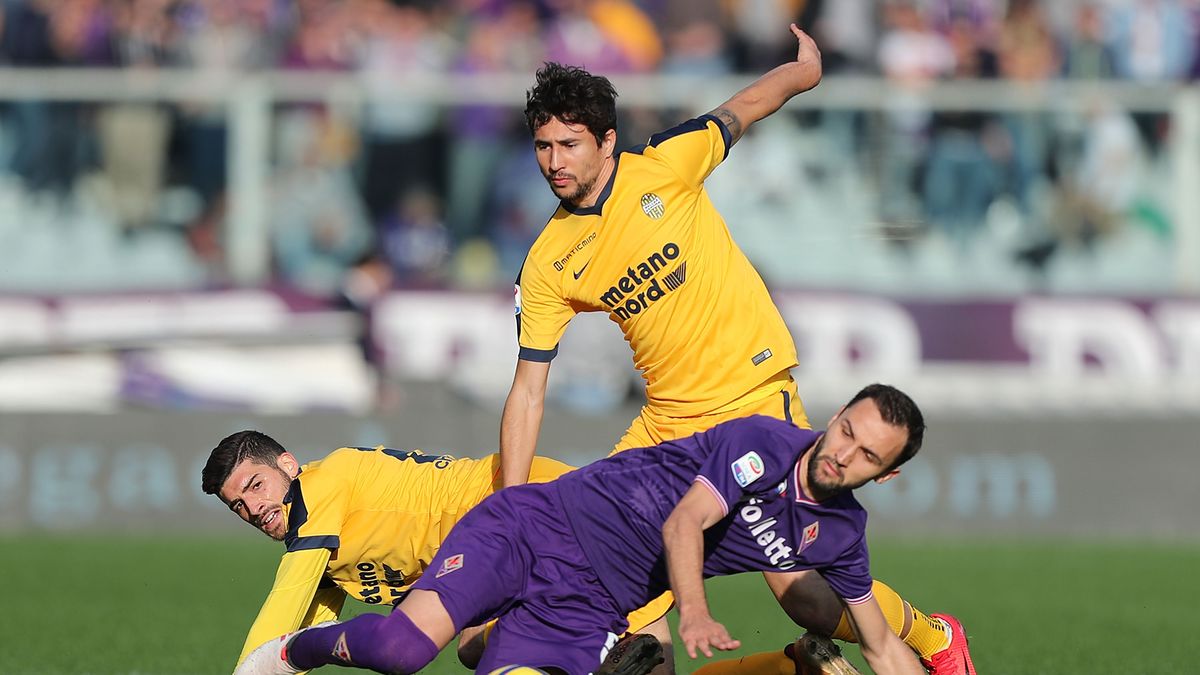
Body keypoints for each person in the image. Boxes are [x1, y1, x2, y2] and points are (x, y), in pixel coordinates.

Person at [499, 23, 973, 675]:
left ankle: (928, 633)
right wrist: (513, 507)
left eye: (569, 144)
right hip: (667, 421)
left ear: (607, 140)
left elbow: (744, 107)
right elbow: (528, 389)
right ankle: (789, 668)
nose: (555, 162)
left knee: (797, 590)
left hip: (753, 402)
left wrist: (802, 74)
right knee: (608, 568)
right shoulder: (549, 261)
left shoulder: (666, 163)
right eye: (544, 146)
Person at [238, 384, 945, 675]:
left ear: (883, 475)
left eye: (866, 453)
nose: (842, 449)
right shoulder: (765, 439)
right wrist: (693, 610)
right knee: (399, 648)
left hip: (593, 602)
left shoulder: (842, 534)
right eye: (846, 426)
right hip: (535, 524)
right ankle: (294, 652)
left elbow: (881, 644)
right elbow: (685, 523)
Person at [201, 432, 664, 672]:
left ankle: (584, 653)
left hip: (517, 500)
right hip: (519, 524)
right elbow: (302, 641)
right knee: (472, 645)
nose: (254, 507)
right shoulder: (324, 549)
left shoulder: (318, 490)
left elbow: (281, 615)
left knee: (466, 645)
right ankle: (592, 656)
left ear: (288, 465)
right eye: (238, 505)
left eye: (256, 485)